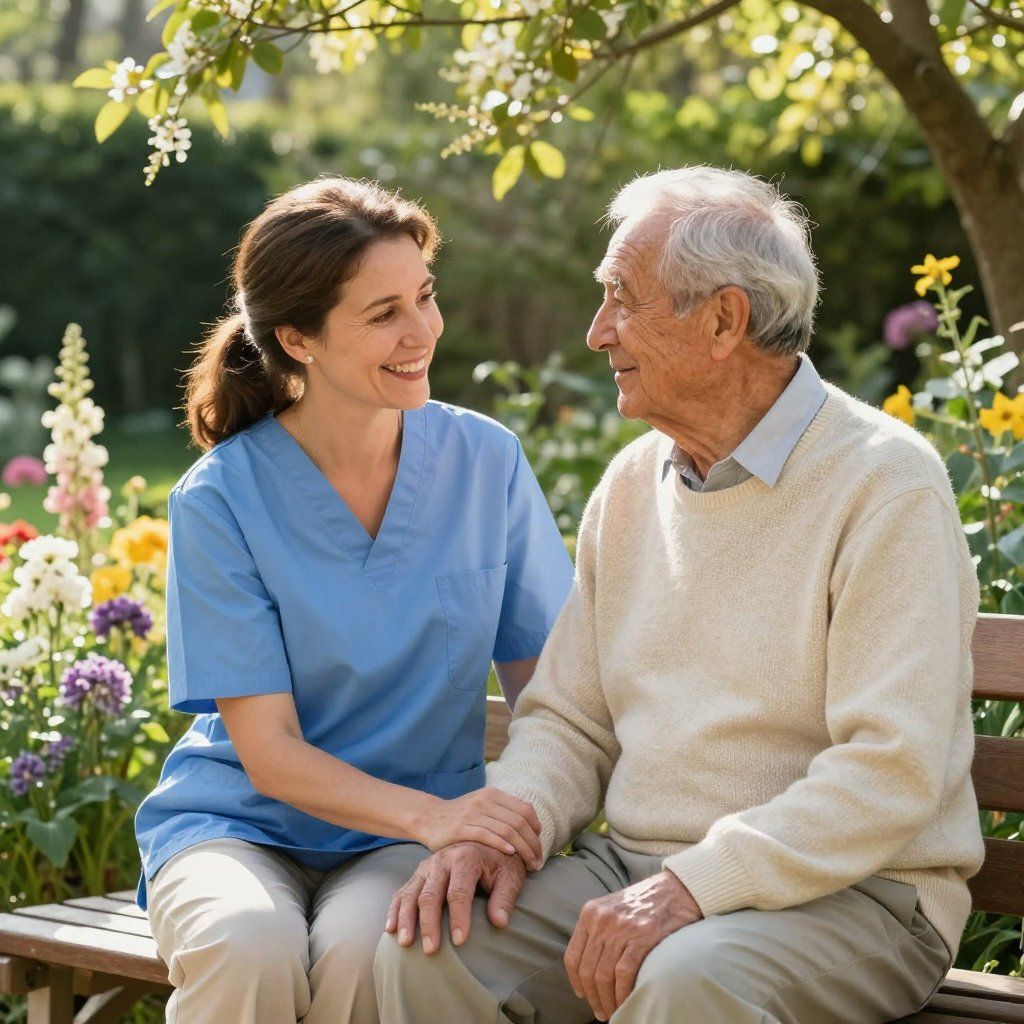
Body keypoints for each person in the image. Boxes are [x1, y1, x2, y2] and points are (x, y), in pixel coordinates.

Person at [376, 166, 986, 1024]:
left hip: (858, 894)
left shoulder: (885, 485)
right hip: (632, 869)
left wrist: (693, 886)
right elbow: (569, 720)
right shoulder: (631, 484)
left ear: (724, 321)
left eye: (623, 299)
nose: (597, 333)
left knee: (684, 980)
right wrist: (502, 830)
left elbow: (890, 769)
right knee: (433, 948)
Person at [133, 175, 573, 1024]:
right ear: (297, 339)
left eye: (425, 297)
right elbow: (268, 754)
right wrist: (440, 817)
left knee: (377, 953)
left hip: (403, 841)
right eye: (384, 315)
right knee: (244, 947)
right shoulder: (219, 497)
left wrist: (503, 820)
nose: (423, 333)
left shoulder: (487, 463)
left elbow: (550, 693)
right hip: (238, 826)